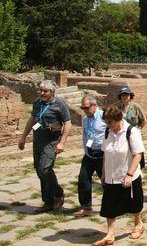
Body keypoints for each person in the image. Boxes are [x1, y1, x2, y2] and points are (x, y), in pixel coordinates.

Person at [91, 105, 145, 246]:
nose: (109, 126)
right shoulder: (108, 133)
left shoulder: (131, 131)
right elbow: (105, 154)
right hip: (111, 176)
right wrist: (103, 172)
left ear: (119, 119)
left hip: (128, 175)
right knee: (109, 204)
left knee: (134, 203)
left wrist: (129, 174)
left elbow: (138, 154)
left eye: (111, 123)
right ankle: (110, 234)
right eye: (107, 123)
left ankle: (138, 224)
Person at [18, 80, 71, 213]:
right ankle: (48, 202)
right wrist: (24, 137)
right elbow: (32, 119)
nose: (42, 93)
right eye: (41, 90)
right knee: (39, 171)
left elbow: (68, 124)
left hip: (51, 142)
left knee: (45, 170)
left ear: (52, 92)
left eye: (45, 91)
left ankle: (58, 193)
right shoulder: (38, 102)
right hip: (38, 141)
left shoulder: (60, 104)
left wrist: (62, 142)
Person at [75, 94, 107, 217]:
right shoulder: (86, 119)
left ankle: (114, 204)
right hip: (89, 154)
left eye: (86, 108)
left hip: (102, 155)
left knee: (106, 181)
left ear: (94, 106)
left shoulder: (104, 116)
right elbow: (85, 135)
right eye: (82, 108)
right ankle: (86, 207)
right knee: (83, 179)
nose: (84, 110)